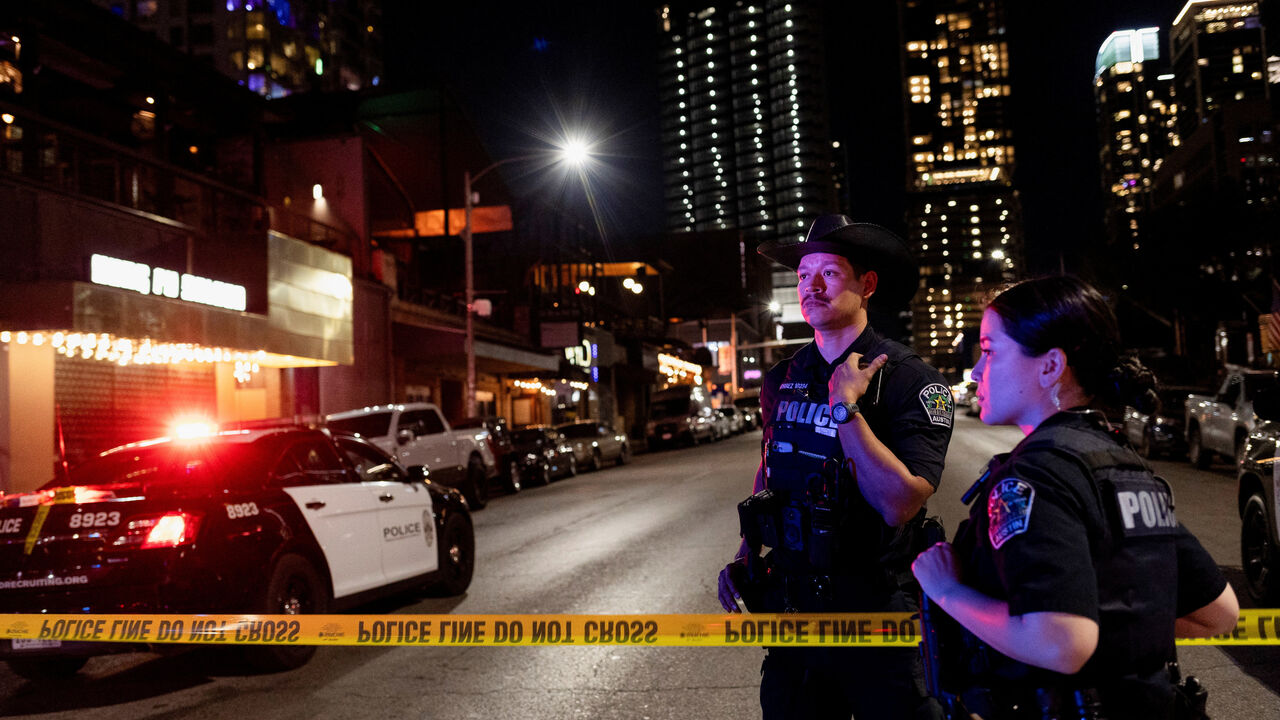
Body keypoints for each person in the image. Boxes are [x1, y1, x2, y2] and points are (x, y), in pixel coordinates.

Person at [911, 275, 1240, 719]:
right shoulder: (1122, 464)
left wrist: (947, 590)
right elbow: (1217, 613)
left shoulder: (1036, 475)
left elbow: (1061, 645)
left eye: (989, 351)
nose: (975, 371)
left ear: (1050, 366)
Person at [718, 215, 955, 719]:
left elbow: (900, 504)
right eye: (803, 276)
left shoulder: (912, 380)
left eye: (828, 272)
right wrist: (747, 554)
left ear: (866, 285)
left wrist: (844, 408)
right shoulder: (782, 376)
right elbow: (773, 465)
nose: (811, 286)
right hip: (795, 615)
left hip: (878, 615)